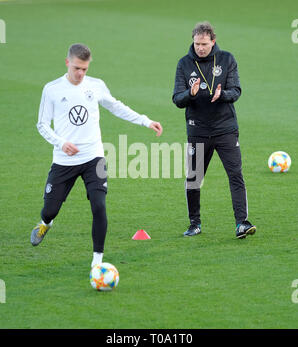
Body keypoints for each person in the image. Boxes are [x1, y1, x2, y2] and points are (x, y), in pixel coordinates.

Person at [31, 43, 163, 267]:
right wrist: (61, 143)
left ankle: (97, 261)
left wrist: (145, 120)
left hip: (94, 157)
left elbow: (116, 106)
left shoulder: (96, 85)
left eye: (84, 69)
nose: (80, 73)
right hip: (64, 160)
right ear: (67, 63)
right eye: (76, 68)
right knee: (50, 209)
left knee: (99, 206)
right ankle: (45, 223)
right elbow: (42, 125)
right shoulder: (52, 89)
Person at [172, 21, 256, 239]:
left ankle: (242, 223)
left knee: (235, 175)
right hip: (197, 131)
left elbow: (236, 90)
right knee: (194, 178)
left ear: (213, 41)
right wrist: (189, 94)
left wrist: (223, 95)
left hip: (225, 129)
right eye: (197, 43)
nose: (200, 48)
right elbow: (176, 99)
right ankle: (195, 224)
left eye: (204, 44)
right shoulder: (184, 64)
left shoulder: (227, 59)